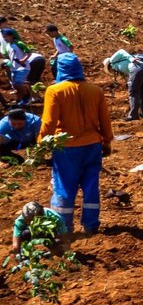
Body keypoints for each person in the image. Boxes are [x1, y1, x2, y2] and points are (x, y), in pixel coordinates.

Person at [39, 54, 112, 236]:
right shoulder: (95, 90)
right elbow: (105, 119)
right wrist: (107, 141)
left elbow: (49, 122)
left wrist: (42, 144)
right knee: (91, 185)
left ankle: (63, 228)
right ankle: (91, 225)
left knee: (64, 186)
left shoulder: (55, 91)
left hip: (66, 148)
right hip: (93, 145)